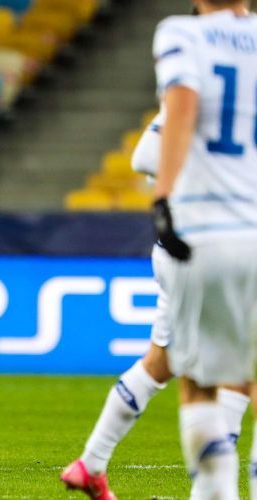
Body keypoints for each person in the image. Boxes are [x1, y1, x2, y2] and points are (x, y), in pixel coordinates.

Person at [60, 106, 250, 500]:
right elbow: (145, 156)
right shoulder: (208, 96)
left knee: (159, 364)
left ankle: (90, 464)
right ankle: (216, 489)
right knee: (234, 373)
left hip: (190, 249)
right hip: (206, 246)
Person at [149, 1, 257, 497]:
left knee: (198, 383)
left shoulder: (182, 33)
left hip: (207, 231)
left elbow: (184, 100)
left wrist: (163, 196)